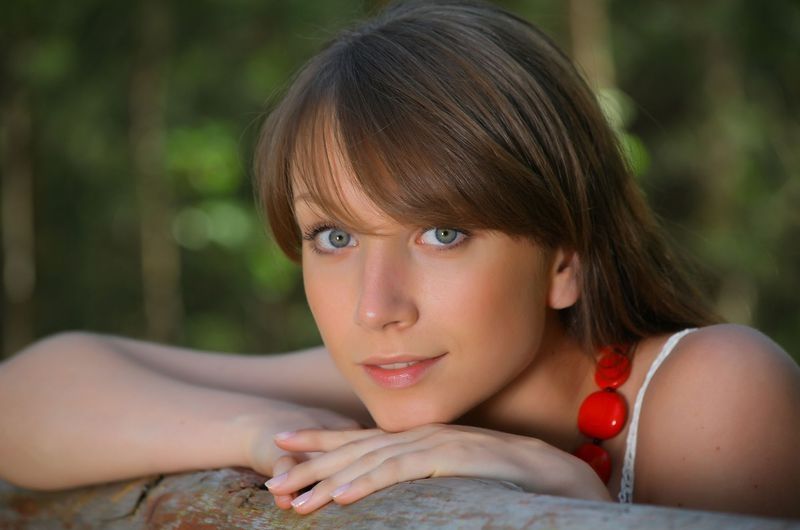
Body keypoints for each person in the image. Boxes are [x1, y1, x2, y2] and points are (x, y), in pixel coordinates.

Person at [1, 0, 798, 519]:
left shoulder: (716, 387)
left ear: (565, 257)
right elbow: (26, 396)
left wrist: (569, 491)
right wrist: (271, 435)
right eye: (335, 238)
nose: (376, 307)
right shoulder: (390, 376)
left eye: (442, 233)